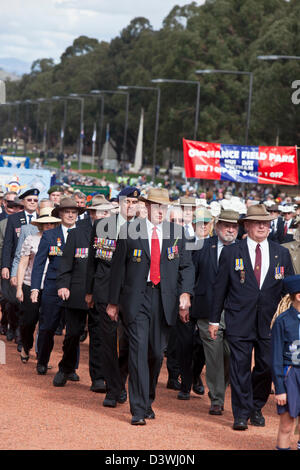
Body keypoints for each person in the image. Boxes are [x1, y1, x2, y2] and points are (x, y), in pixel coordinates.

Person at [106, 187, 195, 425]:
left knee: (156, 353)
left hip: (164, 299)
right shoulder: (129, 231)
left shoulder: (177, 233)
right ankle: (138, 408)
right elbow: (118, 269)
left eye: (164, 207)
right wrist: (113, 302)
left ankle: (147, 400)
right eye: (156, 207)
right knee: (137, 351)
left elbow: (187, 266)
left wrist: (185, 293)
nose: (160, 211)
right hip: (137, 298)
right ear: (145, 207)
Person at [209, 203, 294, 430]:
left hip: (271, 323)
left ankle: (256, 405)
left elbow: (290, 291)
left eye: (265, 222)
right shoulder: (230, 252)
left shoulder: (282, 253)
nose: (262, 226)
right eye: (257, 222)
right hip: (239, 320)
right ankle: (241, 413)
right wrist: (214, 320)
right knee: (239, 367)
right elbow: (220, 289)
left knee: (266, 366)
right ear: (246, 225)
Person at [85, 188, 140, 407]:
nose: (130, 205)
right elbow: (92, 261)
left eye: (135, 202)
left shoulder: (144, 230)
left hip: (131, 292)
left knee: (127, 342)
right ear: (118, 203)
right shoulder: (102, 226)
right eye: (127, 201)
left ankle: (120, 379)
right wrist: (89, 290)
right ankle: (113, 388)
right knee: (106, 341)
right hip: (104, 289)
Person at [54, 195, 110, 390]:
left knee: (98, 337)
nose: (105, 215)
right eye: (101, 211)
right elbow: (66, 264)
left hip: (101, 294)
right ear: (92, 213)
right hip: (77, 293)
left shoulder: (113, 234)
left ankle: (98, 377)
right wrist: (63, 285)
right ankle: (66, 367)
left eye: (107, 211)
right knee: (73, 334)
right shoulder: (77, 233)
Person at [191, 209, 239, 415]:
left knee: (229, 355)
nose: (230, 229)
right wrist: (186, 302)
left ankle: (221, 384)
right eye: (226, 225)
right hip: (207, 310)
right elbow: (190, 276)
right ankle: (217, 398)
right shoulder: (201, 246)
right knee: (213, 355)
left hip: (236, 312)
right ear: (217, 227)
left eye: (234, 226)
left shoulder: (244, 249)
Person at [31, 198, 85, 375]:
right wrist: (34, 288)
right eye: (67, 211)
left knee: (73, 330)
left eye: (74, 212)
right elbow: (38, 264)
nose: (70, 215)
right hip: (53, 287)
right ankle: (42, 360)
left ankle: (70, 367)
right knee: (47, 326)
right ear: (60, 214)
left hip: (76, 288)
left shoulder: (84, 235)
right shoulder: (50, 235)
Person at [16, 207, 61, 363]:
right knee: (29, 320)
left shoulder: (60, 240)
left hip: (51, 285)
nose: (48, 226)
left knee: (47, 323)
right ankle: (26, 345)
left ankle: (42, 356)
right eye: (45, 223)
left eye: (51, 223)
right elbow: (23, 264)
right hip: (30, 284)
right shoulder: (31, 239)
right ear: (40, 225)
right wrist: (19, 287)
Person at [271, 274, 300, 451]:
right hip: (291, 375)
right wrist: (280, 388)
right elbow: (275, 357)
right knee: (287, 425)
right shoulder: (282, 321)